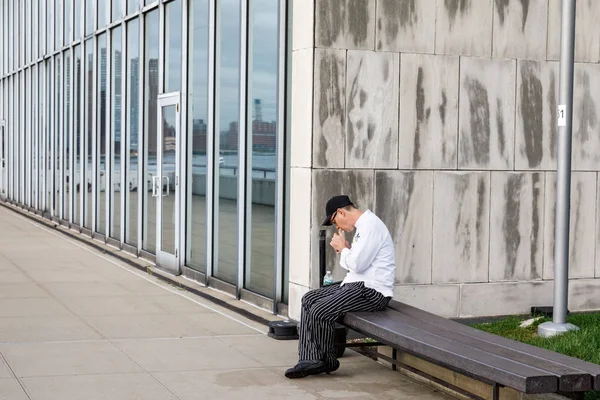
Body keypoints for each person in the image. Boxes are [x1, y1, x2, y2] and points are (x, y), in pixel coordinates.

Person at [285, 195, 396, 379]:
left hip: (372, 291)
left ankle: (325, 360)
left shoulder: (370, 226)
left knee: (320, 310)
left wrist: (342, 249)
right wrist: (346, 249)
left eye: (334, 220)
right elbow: (360, 263)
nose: (337, 226)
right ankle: (308, 359)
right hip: (356, 286)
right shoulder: (364, 226)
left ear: (341, 212)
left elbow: (357, 264)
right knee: (309, 299)